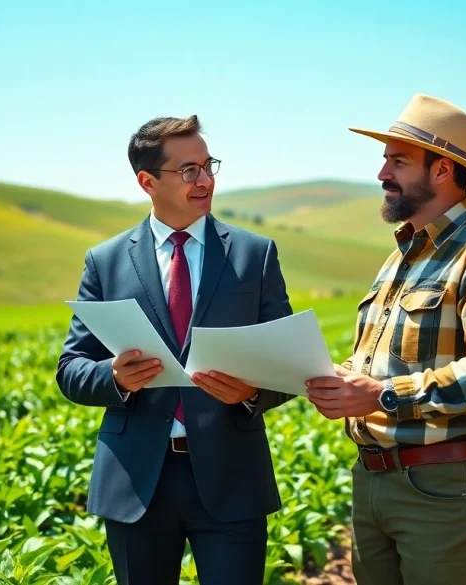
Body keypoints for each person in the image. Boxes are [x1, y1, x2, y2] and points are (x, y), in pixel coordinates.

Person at [305, 93, 466, 585]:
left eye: (398, 160)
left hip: (441, 488)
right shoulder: (401, 258)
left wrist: (383, 395)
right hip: (372, 478)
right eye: (385, 159)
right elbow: (387, 363)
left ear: (441, 170)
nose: (382, 173)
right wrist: (340, 378)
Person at [55, 114, 295, 585]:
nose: (205, 180)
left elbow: (289, 363)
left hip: (232, 478)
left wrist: (251, 392)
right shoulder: (105, 261)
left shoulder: (255, 254)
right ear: (147, 181)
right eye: (189, 171)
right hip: (136, 483)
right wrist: (115, 378)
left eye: (209, 166)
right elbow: (71, 368)